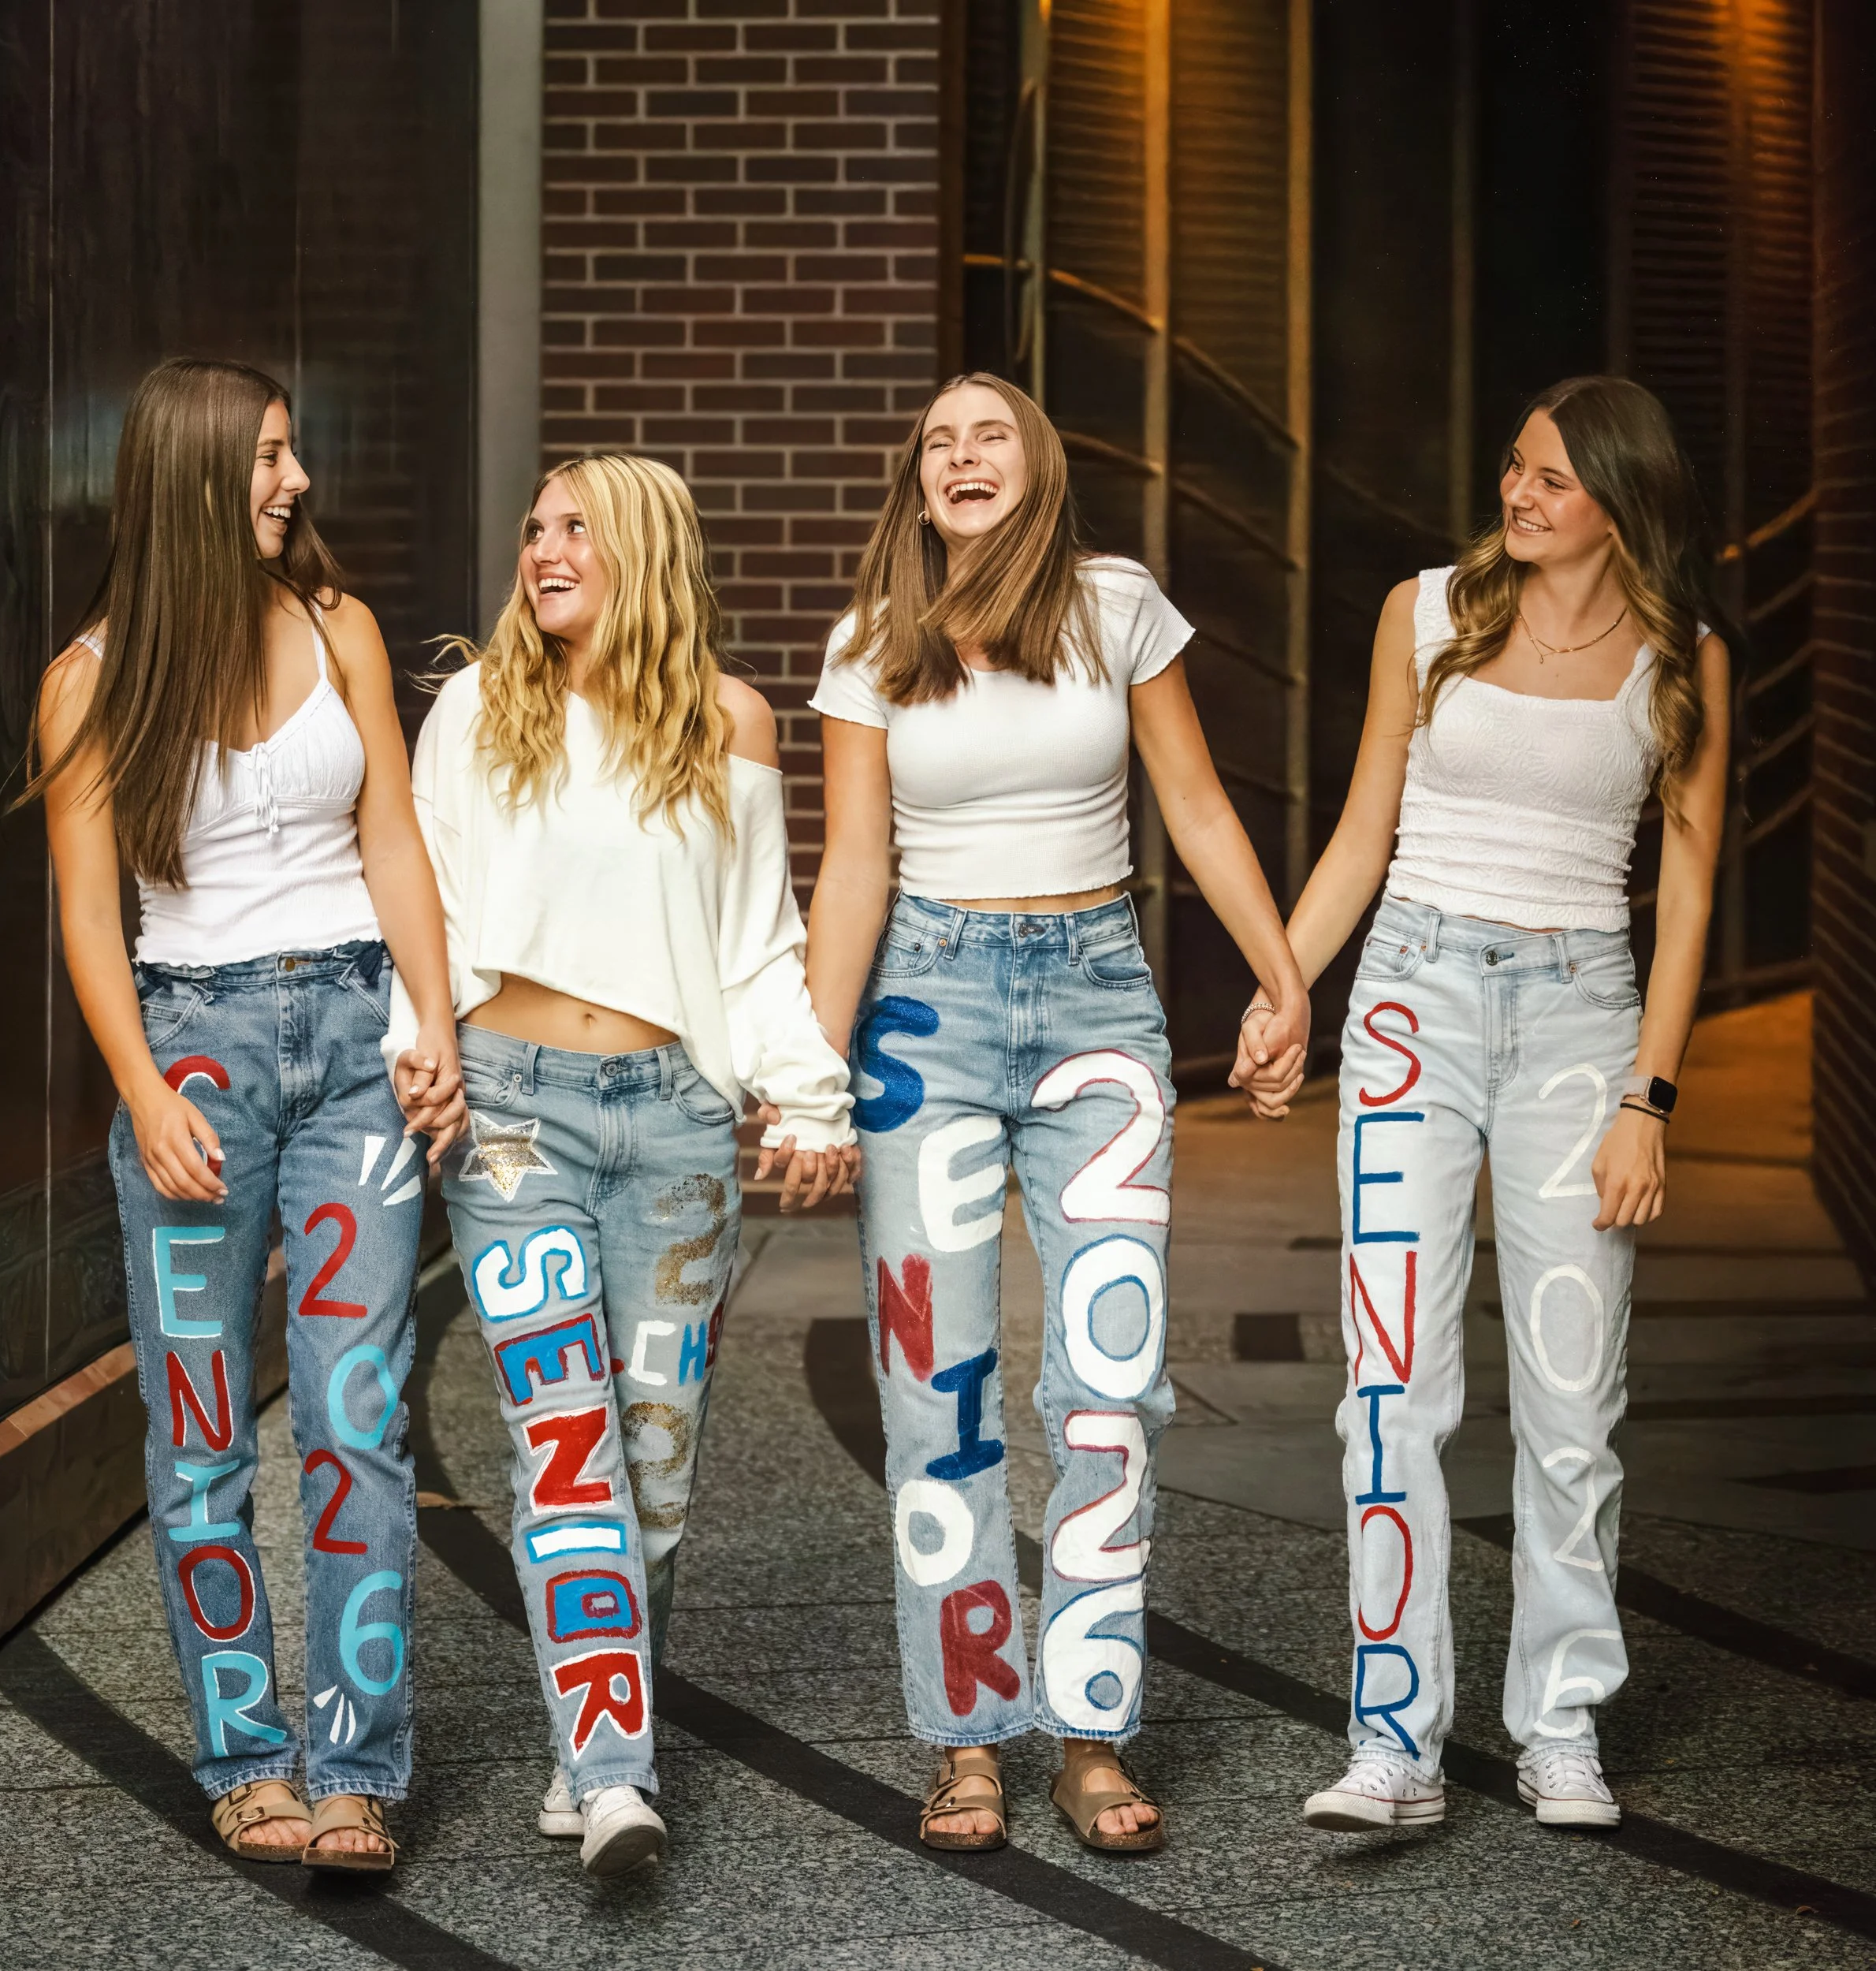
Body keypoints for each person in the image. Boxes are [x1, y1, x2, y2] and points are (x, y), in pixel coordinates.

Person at [806, 371, 1309, 1854]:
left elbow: (1201, 807)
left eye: (992, 435)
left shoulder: (1114, 604)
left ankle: (1090, 1728)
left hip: (1096, 1003)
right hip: (926, 1015)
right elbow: (850, 871)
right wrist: (808, 1074)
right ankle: (966, 1733)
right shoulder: (871, 643)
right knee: (935, 1393)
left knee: (1109, 1386)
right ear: (919, 481)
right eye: (939, 442)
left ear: (1039, 468)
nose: (962, 457)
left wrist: (1283, 982)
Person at [1234, 375, 1730, 1833]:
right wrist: (1288, 987)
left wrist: (1651, 1093)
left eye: (1553, 483)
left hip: (1583, 1014)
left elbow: (1689, 885)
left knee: (1572, 1403)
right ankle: (1393, 1738)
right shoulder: (1425, 614)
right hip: (1411, 1001)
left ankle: (1560, 1724)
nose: (1519, 496)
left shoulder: (1684, 659)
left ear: (1620, 504)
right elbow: (1364, 829)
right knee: (1389, 1388)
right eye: (1515, 469)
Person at [389, 451, 856, 1876]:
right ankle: (613, 1774)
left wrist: (809, 1097)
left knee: (655, 1459)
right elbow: (427, 896)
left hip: (675, 1126)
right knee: (568, 1441)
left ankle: (586, 1731)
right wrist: (428, 1038)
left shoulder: (730, 722)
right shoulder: (479, 706)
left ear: (645, 548)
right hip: (514, 1114)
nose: (543, 549)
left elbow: (759, 940)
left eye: (575, 528)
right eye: (533, 527)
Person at [32, 358, 464, 1870]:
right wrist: (142, 1087)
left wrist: (433, 1025)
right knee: (204, 1432)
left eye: (294, 455)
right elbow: (90, 918)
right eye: (267, 458)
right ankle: (247, 1754)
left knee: (356, 1417)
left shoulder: (341, 629)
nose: (293, 482)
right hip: (196, 1056)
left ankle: (355, 1763)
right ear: (193, 475)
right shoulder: (91, 679)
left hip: (357, 1039)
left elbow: (394, 838)